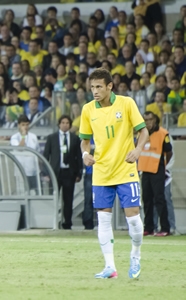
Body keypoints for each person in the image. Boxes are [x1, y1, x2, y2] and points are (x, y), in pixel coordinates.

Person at [79, 68, 149, 279]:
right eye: (92, 87)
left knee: (134, 219)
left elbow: (143, 130)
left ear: (110, 86)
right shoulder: (88, 110)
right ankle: (110, 266)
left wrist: (137, 150)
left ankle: (135, 255)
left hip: (125, 169)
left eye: (99, 86)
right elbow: (84, 139)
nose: (95, 91)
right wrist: (85, 154)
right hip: (101, 171)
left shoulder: (126, 103)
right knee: (103, 219)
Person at [43, 115, 82, 229]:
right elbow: (46, 156)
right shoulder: (52, 138)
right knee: (53, 198)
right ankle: (52, 222)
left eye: (67, 123)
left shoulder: (75, 138)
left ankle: (67, 223)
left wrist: (78, 173)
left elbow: (78, 157)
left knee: (68, 199)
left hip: (69, 173)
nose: (65, 125)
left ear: (70, 125)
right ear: (59, 124)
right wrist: (46, 173)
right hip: (55, 172)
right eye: (63, 122)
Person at [138, 112, 172, 236]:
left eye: (150, 119)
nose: (148, 122)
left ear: (155, 120)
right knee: (146, 200)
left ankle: (165, 228)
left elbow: (169, 152)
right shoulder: (141, 133)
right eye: (145, 120)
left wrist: (163, 165)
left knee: (159, 199)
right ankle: (149, 228)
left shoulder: (163, 133)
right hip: (145, 170)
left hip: (157, 170)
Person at [10, 115, 41, 194]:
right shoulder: (15, 137)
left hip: (34, 171)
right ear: (19, 125)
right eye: (23, 125)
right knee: (23, 194)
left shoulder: (33, 136)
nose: (25, 127)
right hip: (21, 172)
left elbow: (38, 152)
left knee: (35, 193)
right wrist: (23, 136)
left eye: (27, 124)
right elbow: (20, 148)